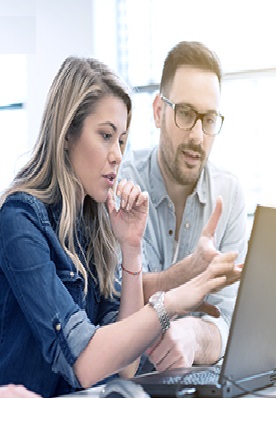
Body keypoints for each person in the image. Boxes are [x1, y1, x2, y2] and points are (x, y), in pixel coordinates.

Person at [0, 56, 241, 398]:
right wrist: (170, 302)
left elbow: (124, 365)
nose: (117, 155)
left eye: (122, 140)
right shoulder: (19, 219)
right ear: (67, 134)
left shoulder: (94, 219)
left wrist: (131, 247)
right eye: (106, 136)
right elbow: (84, 362)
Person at [118, 41, 248, 372]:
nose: (197, 135)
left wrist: (194, 334)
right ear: (159, 111)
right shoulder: (121, 184)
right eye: (186, 113)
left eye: (209, 119)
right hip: (127, 386)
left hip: (199, 383)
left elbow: (233, 321)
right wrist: (194, 269)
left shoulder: (229, 192)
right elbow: (122, 301)